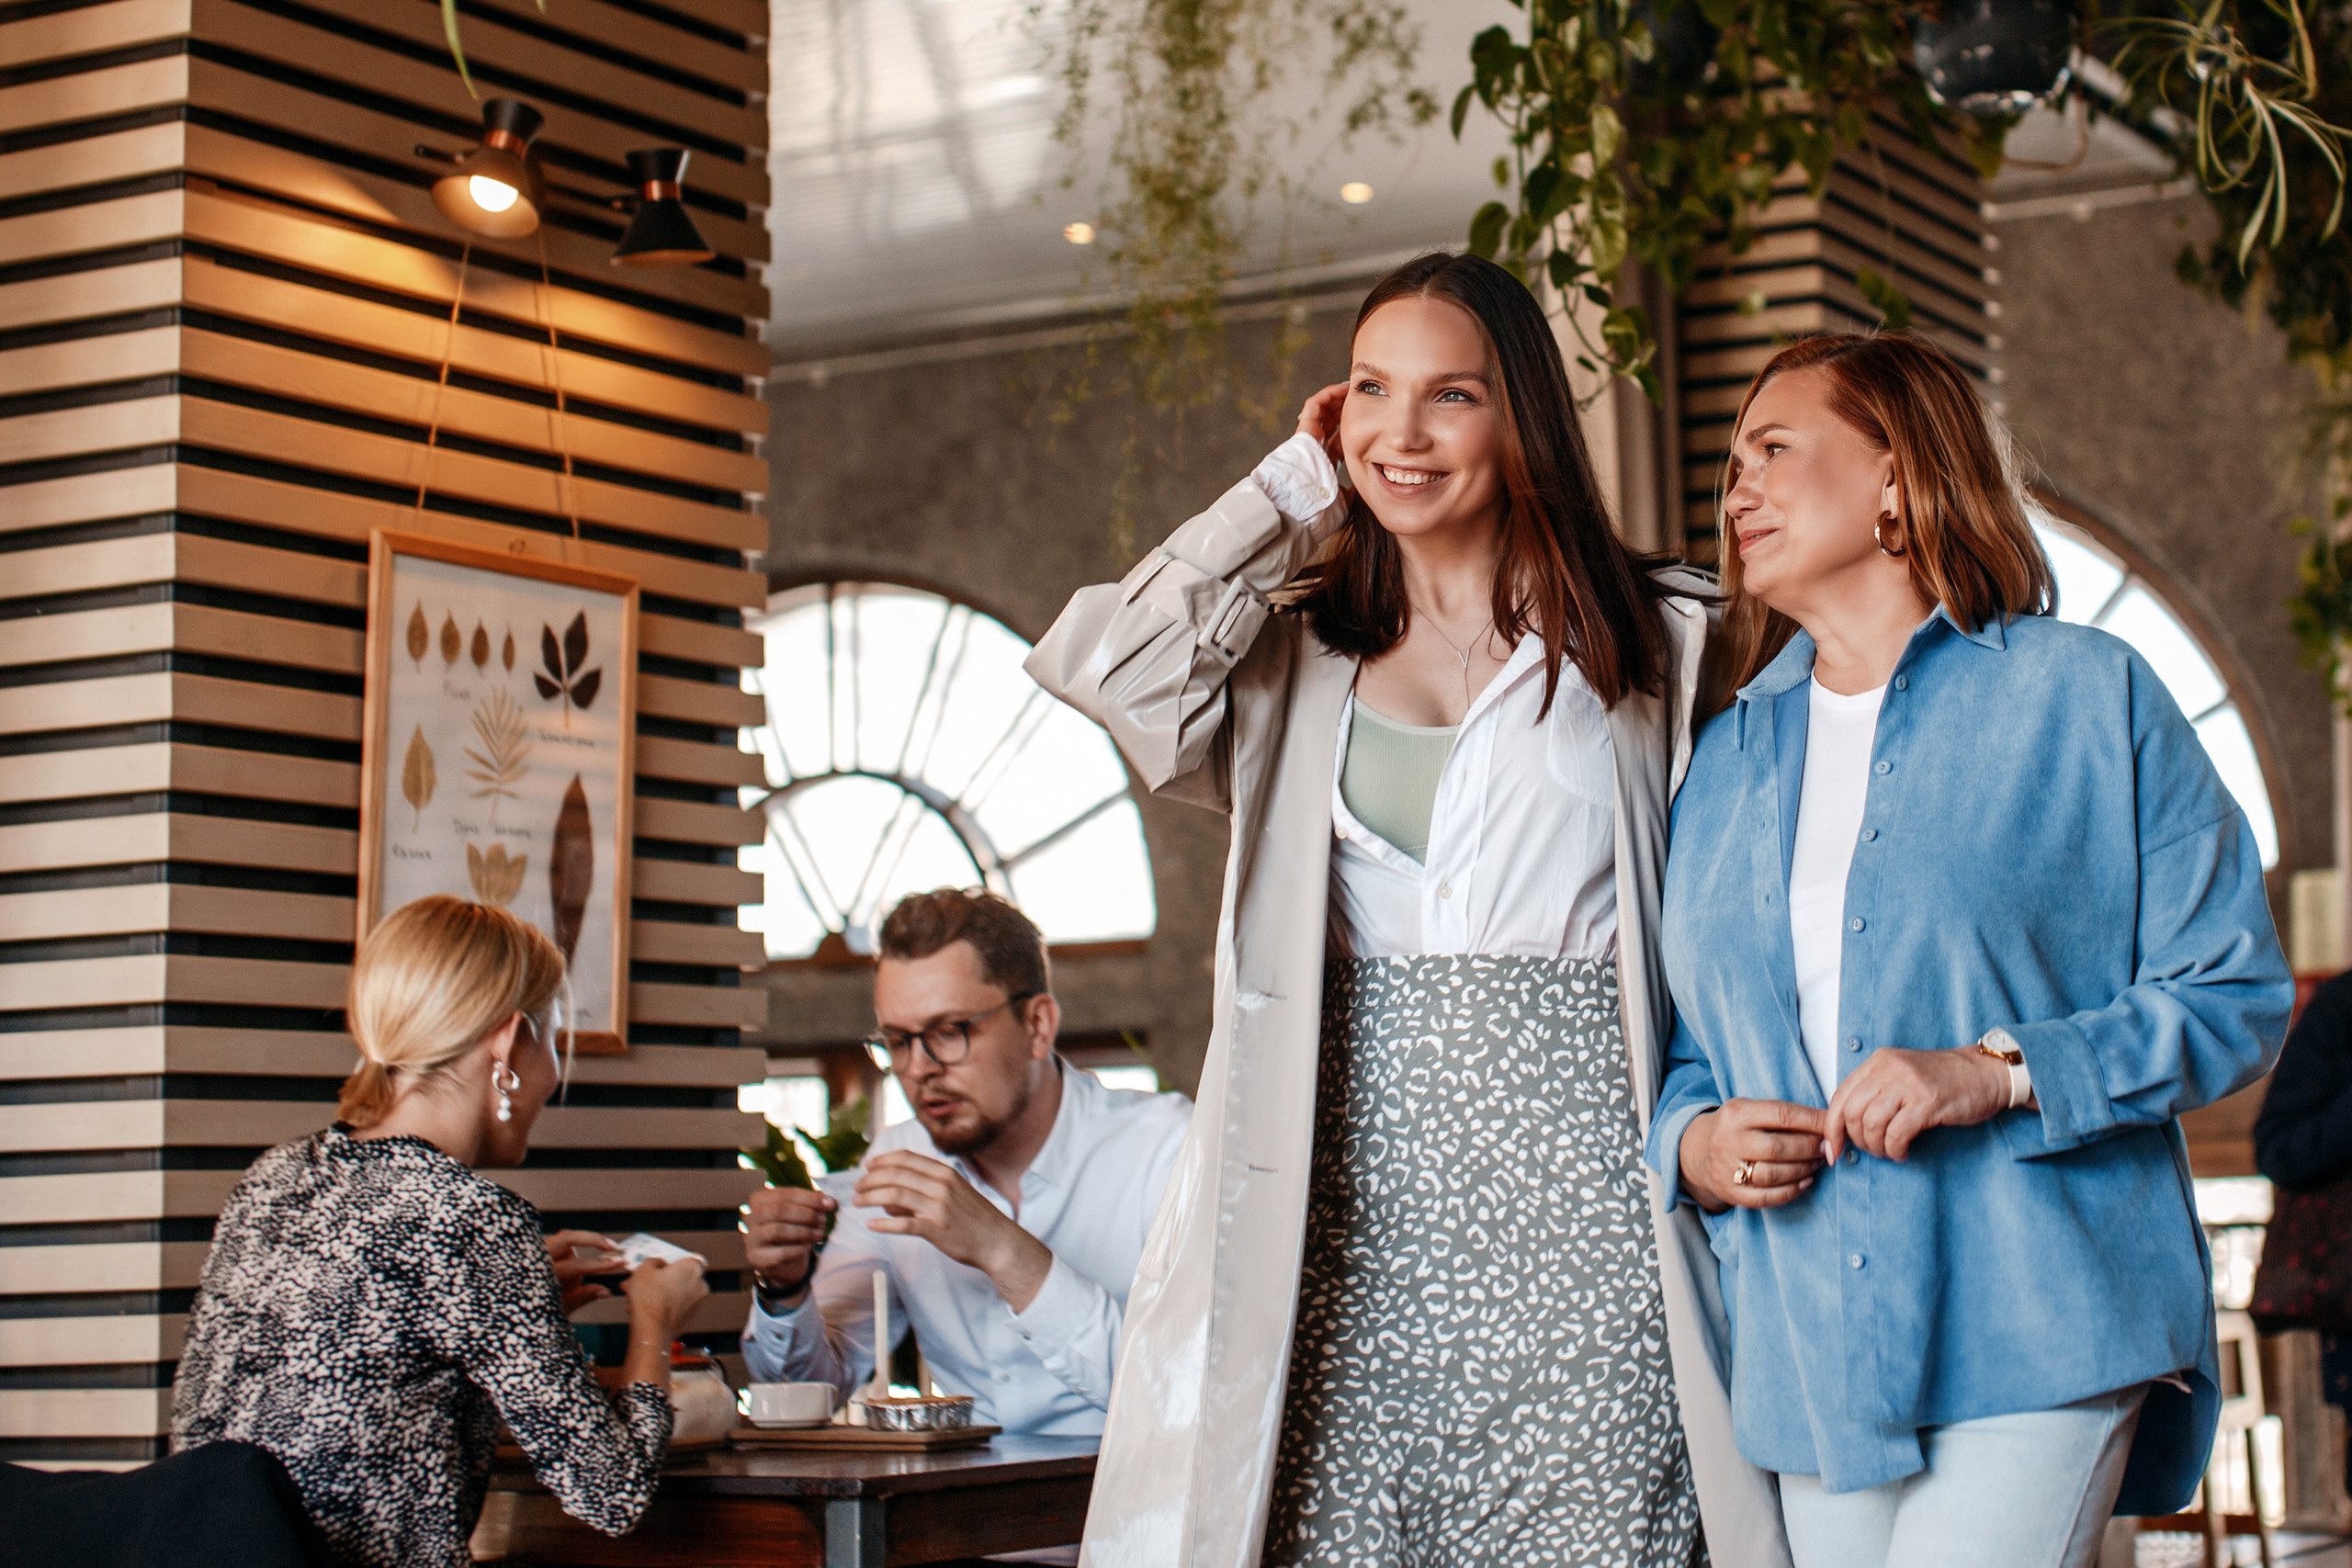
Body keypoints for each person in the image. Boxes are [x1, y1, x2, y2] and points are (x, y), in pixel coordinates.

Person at [1026, 250, 1785, 1568]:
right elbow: (1110, 671)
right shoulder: (1290, 653)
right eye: (1371, 389)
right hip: (1336, 1237)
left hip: (1596, 1238)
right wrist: (1284, 488)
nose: (1402, 431)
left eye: (1451, 395)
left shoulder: (1663, 640)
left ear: (1523, 418)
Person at [1650, 331, 2290, 1568]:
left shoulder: (2086, 695)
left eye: (1774, 449)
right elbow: (1690, 1046)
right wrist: (1698, 1140)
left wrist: (1998, 1068)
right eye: (1731, 462)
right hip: (1807, 1341)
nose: (1738, 489)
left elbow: (2235, 991)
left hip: (2040, 1310)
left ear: (1895, 475)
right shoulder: (1722, 760)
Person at [171, 896, 709, 1568]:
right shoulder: (473, 1221)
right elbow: (613, 1490)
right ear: (507, 1044)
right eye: (553, 1042)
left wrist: (519, 1307)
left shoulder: (274, 1177)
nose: (551, 1080)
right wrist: (654, 1321)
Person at [739, 888, 1191, 1438]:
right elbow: (809, 1392)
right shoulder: (895, 1161)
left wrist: (1001, 1248)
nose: (919, 1068)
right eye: (898, 1041)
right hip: (968, 1509)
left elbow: (1187, 1391)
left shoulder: (1167, 1149)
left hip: (1138, 1505)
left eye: (950, 1032)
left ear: (1038, 1026)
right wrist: (784, 1291)